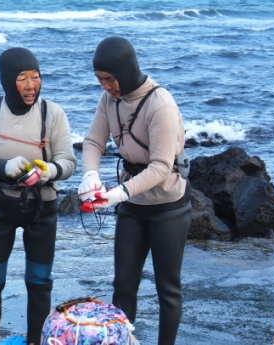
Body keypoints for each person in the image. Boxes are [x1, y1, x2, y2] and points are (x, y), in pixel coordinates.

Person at [78, 36, 192, 345]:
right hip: (132, 207)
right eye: (100, 80)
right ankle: (122, 341)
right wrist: (90, 174)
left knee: (167, 289)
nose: (105, 86)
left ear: (125, 71)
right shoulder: (109, 101)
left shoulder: (161, 105)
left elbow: (159, 167)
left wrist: (117, 194)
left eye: (109, 79)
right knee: (123, 285)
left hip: (168, 208)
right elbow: (92, 142)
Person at [0, 47, 77, 345]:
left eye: (35, 77)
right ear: (7, 81)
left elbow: (69, 162)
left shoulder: (53, 113)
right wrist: (4, 167)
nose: (30, 85)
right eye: (22, 78)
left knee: (40, 284)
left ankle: (35, 342)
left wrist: (50, 170)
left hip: (42, 210)